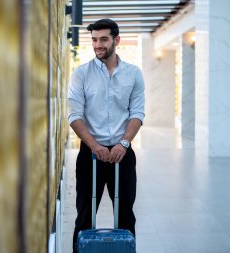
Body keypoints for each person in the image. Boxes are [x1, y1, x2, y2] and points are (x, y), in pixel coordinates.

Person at [67, 18, 145, 252]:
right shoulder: (81, 74)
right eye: (94, 40)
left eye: (103, 39)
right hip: (90, 155)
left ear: (116, 40)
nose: (97, 45)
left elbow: (137, 113)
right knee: (84, 217)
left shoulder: (133, 74)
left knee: (125, 218)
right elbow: (74, 116)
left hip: (123, 154)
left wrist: (124, 143)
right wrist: (94, 145)